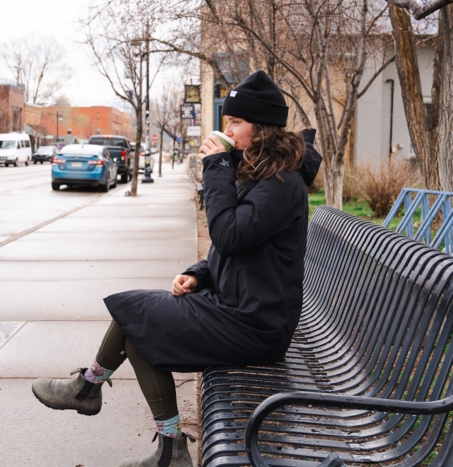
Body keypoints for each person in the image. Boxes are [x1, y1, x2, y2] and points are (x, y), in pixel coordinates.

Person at [32, 70, 322, 466]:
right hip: (238, 308)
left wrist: (217, 167)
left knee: (137, 312)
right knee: (138, 331)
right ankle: (167, 446)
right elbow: (240, 248)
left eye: (236, 122)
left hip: (256, 326)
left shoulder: (281, 182)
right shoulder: (262, 173)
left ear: (262, 128)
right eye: (228, 122)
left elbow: (230, 236)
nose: (229, 129)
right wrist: (199, 273)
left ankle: (89, 389)